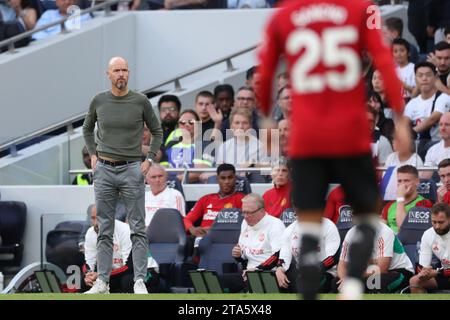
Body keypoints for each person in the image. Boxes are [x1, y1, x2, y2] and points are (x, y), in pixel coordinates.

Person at [257, 0, 412, 300]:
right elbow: (383, 57)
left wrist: (265, 117)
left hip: (306, 137)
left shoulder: (284, 15)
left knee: (310, 223)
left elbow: (265, 69)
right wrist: (400, 118)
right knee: (368, 217)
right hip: (349, 133)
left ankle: (311, 276)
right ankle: (352, 285)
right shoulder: (362, 9)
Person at [82, 56, 163, 294]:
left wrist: (149, 160)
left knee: (138, 227)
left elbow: (157, 131)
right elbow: (87, 128)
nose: (121, 74)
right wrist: (93, 154)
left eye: (125, 70)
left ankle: (139, 280)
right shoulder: (99, 100)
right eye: (117, 70)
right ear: (108, 74)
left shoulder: (140, 100)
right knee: (104, 229)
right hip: (105, 168)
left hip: (131, 168)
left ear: (129, 73)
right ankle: (103, 282)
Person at [81, 204, 159, 293]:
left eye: (99, 218)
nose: (96, 222)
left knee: (127, 281)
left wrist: (100, 277)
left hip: (147, 271)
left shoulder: (125, 230)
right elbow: (89, 262)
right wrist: (88, 275)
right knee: (84, 282)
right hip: (116, 273)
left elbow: (127, 267)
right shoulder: (91, 233)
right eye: (93, 218)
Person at [337, 217, 414, 294]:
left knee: (376, 282)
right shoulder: (351, 233)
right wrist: (345, 279)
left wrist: (353, 277)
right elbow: (341, 265)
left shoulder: (384, 231)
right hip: (369, 272)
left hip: (399, 271)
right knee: (336, 284)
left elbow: (382, 268)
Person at [229, 193, 285, 292]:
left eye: (249, 213)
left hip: (270, 273)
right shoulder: (245, 223)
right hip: (248, 272)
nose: (245, 216)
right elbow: (244, 259)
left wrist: (258, 269)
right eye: (243, 212)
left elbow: (279, 256)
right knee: (217, 282)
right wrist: (238, 255)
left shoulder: (275, 225)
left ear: (262, 211)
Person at [276, 217, 340, 293]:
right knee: (281, 278)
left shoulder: (328, 225)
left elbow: (333, 257)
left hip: (325, 271)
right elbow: (284, 257)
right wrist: (279, 269)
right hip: (301, 271)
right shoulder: (290, 229)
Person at [183, 163, 245, 237]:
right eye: (223, 178)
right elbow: (186, 220)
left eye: (230, 177)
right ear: (217, 179)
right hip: (203, 238)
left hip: (227, 238)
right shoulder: (205, 199)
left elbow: (247, 224)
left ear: (235, 179)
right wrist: (192, 229)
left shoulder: (243, 200)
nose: (226, 181)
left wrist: (214, 230)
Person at [406, 62, 450, 160]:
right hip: (417, 144)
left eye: (428, 75)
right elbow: (404, 122)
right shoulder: (412, 103)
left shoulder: (444, 97)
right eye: (420, 75)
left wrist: (411, 132)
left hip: (438, 143)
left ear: (435, 77)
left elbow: (433, 119)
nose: (424, 78)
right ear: (415, 79)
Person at [161, 109, 212, 183]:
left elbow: (198, 173)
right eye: (182, 122)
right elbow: (162, 170)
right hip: (170, 189)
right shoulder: (170, 146)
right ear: (178, 126)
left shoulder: (204, 145)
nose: (186, 125)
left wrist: (174, 180)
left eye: (191, 122)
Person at [409, 202, 450, 293]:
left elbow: (437, 272)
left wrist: (436, 273)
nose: (437, 226)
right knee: (415, 281)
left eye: (441, 222)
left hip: (441, 273)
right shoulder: (428, 234)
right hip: (443, 274)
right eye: (434, 222)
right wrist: (424, 273)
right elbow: (422, 266)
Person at [381, 165, 433, 234]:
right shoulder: (390, 205)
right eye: (399, 181)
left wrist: (400, 197)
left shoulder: (424, 204)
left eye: (406, 181)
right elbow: (381, 230)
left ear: (417, 182)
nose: (402, 185)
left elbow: (404, 229)